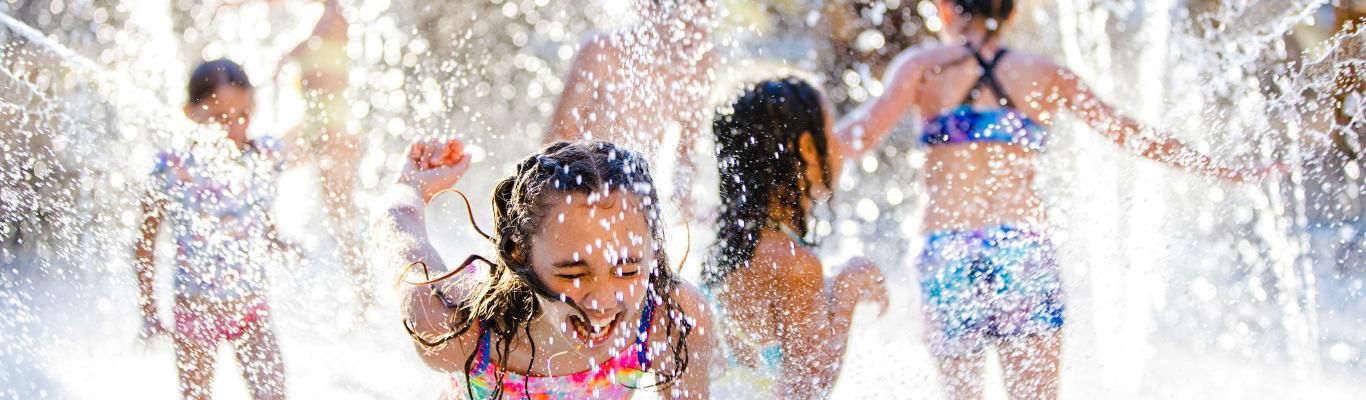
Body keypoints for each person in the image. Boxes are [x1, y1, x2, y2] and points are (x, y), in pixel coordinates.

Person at [834, 1, 1275, 398]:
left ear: (946, 9)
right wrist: (1223, 170)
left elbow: (857, 137)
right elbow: (1132, 135)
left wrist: (786, 150)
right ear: (1012, 12)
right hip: (1021, 249)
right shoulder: (1044, 74)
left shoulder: (922, 67)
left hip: (948, 247)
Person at [373, 138, 714, 399]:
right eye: (572, 274)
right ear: (519, 254)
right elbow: (397, 221)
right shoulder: (455, 325)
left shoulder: (670, 318)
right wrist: (411, 184)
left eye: (626, 272)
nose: (601, 301)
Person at [704, 78, 890, 399]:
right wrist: (848, 286)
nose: (840, 144)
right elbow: (808, 386)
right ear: (805, 148)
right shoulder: (794, 264)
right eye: (831, 132)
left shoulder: (733, 248)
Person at [135, 59, 288, 400]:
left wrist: (274, 237)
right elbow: (145, 243)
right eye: (221, 118)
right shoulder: (172, 168)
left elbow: (258, 203)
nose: (235, 128)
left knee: (274, 395)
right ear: (192, 113)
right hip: (195, 311)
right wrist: (149, 311)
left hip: (252, 311)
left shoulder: (262, 155)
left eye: (243, 115)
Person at [544, 0, 715, 212]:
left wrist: (686, 209)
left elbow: (687, 148)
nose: (697, 29)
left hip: (637, 196)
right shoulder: (601, 50)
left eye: (705, 15)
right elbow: (556, 140)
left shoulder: (697, 61)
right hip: (587, 191)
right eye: (686, 18)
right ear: (649, 9)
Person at [276, 0, 371, 310]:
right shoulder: (316, 15)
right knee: (261, 164)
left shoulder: (332, 16)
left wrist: (286, 54)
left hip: (336, 133)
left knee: (341, 218)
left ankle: (364, 293)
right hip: (312, 129)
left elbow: (310, 39)